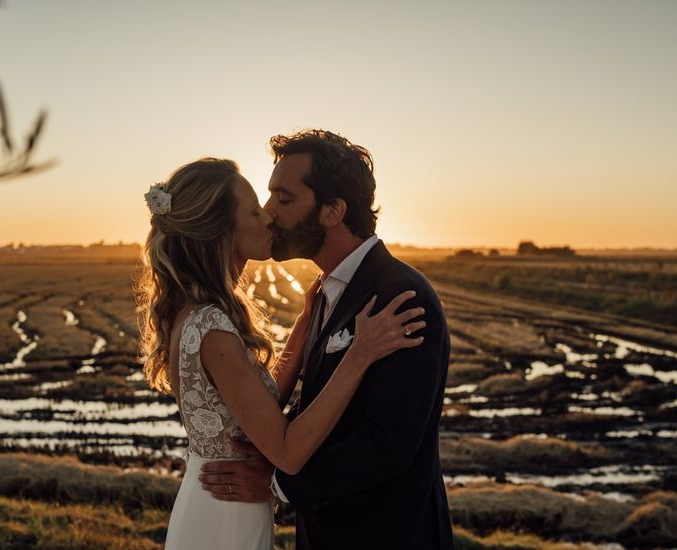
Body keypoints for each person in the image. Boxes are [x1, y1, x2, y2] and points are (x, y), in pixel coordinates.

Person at [135, 157, 426, 549]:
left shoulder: (199, 313)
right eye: (255, 211)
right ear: (221, 229)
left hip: (221, 504)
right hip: (225, 518)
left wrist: (305, 327)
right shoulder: (213, 329)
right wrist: (359, 354)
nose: (269, 218)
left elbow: (258, 404)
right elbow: (286, 451)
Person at [199, 130, 455, 549]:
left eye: (284, 199)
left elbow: (387, 444)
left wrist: (279, 485)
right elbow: (323, 407)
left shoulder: (402, 297)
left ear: (333, 210)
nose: (268, 213)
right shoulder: (323, 292)